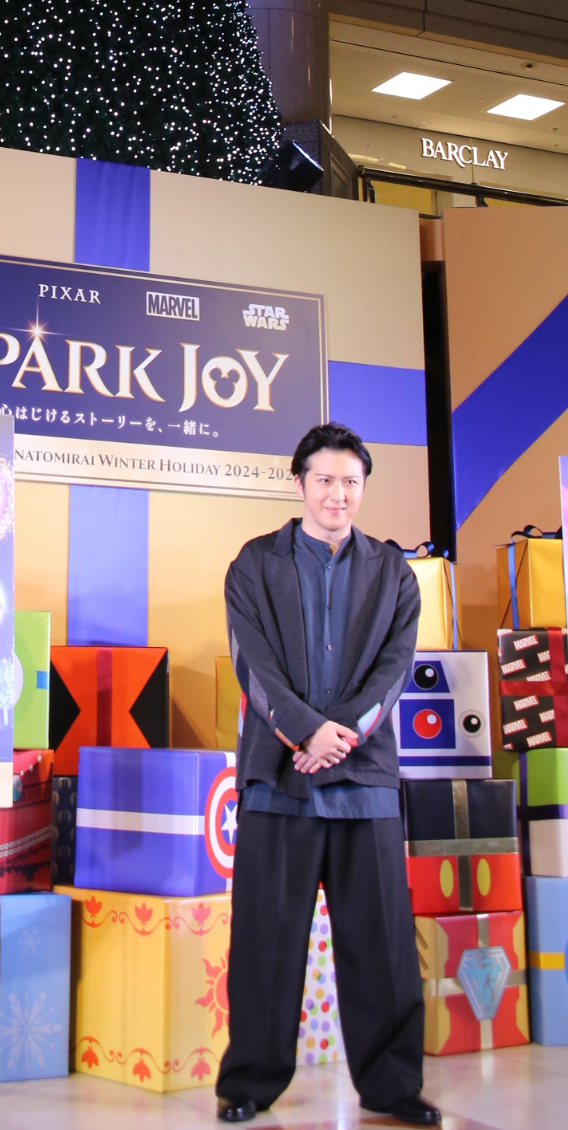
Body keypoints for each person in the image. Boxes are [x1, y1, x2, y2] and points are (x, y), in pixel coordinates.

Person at [216, 422, 437, 1127]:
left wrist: (339, 735)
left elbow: (395, 668)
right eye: (325, 480)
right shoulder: (255, 565)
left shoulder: (394, 572)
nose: (337, 494)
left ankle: (394, 1087)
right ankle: (250, 1083)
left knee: (382, 945)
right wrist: (304, 730)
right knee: (266, 941)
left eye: (350, 482)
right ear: (300, 484)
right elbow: (251, 662)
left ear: (362, 487)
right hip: (278, 778)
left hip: (364, 781)